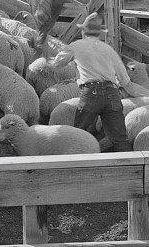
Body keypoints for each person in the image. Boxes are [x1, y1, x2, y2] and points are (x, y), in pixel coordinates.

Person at [46, 12, 133, 152]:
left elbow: (56, 64)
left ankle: (78, 167)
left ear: (83, 31)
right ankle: (130, 168)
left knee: (79, 135)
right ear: (99, 33)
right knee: (120, 138)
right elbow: (125, 80)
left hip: (91, 93)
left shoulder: (77, 46)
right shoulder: (108, 50)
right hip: (113, 93)